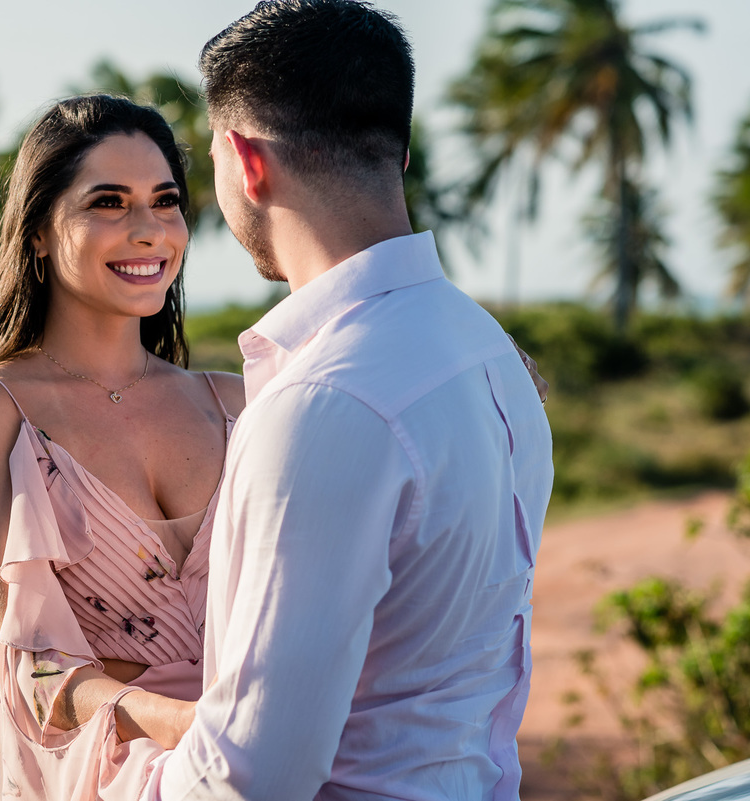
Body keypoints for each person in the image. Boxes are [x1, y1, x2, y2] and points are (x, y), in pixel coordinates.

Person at [141, 2, 555, 800]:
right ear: (401, 150)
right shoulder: (489, 351)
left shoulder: (324, 402)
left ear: (245, 160)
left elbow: (249, 778)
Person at [0, 94, 245, 800]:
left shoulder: (237, 402)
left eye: (166, 201)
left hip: (264, 765)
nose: (149, 230)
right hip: (100, 777)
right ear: (37, 233)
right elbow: (28, 668)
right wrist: (186, 727)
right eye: (108, 203)